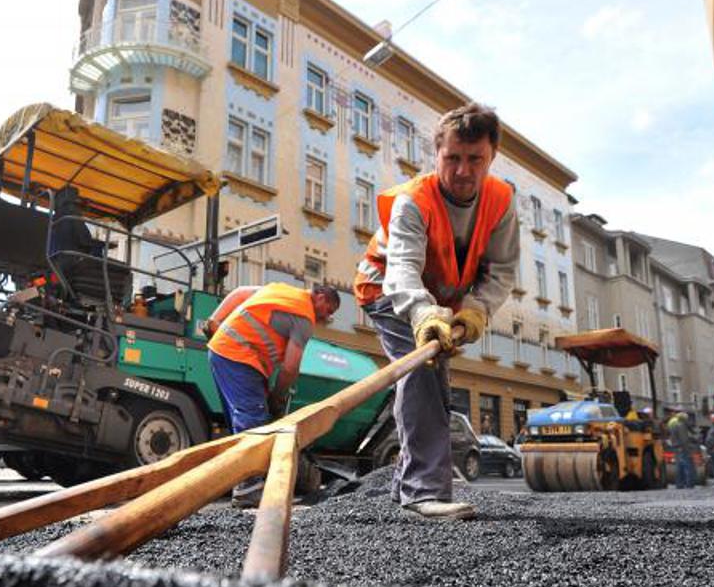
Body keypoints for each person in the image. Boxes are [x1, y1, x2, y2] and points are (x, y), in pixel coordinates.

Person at [354, 102, 519, 520]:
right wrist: (424, 315)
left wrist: (476, 311)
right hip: (388, 289)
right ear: (437, 155)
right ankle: (422, 490)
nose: (463, 171)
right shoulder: (414, 202)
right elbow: (404, 270)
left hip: (439, 300)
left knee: (433, 376)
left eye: (475, 160)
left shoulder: (501, 202)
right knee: (423, 371)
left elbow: (499, 270)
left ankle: (409, 483)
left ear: (492, 156)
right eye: (453, 159)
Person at [206, 282, 340, 507]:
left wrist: (214, 321)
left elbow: (239, 293)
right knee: (253, 421)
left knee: (239, 425)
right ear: (321, 298)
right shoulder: (304, 317)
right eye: (329, 310)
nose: (327, 316)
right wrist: (278, 397)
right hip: (240, 356)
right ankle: (248, 489)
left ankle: (237, 479)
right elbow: (290, 368)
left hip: (221, 351)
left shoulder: (279, 289)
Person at [668, 411, 694, 489]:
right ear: (683, 419)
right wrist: (687, 450)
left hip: (677, 448)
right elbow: (684, 439)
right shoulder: (681, 426)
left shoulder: (674, 426)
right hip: (682, 449)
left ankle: (679, 484)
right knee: (687, 467)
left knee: (679, 467)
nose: (688, 420)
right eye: (687, 419)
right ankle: (689, 484)